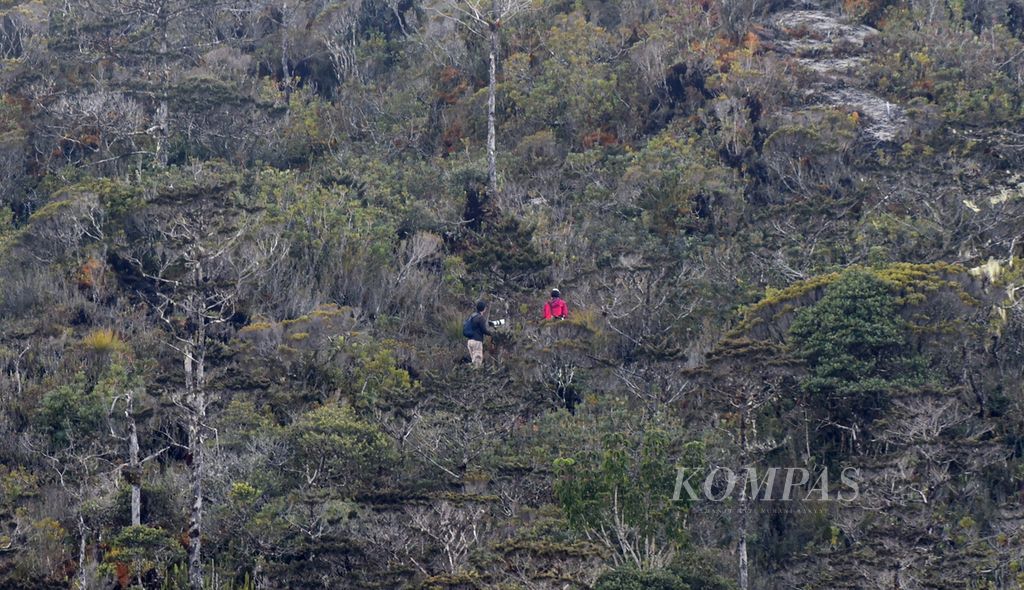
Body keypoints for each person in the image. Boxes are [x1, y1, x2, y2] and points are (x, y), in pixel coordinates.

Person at [464, 300, 492, 367]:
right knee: (477, 361)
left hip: (470, 341)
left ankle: (471, 375)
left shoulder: (472, 316)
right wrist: (491, 333)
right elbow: (484, 330)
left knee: (473, 360)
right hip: (477, 341)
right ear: (484, 309)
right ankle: (476, 376)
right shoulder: (480, 318)